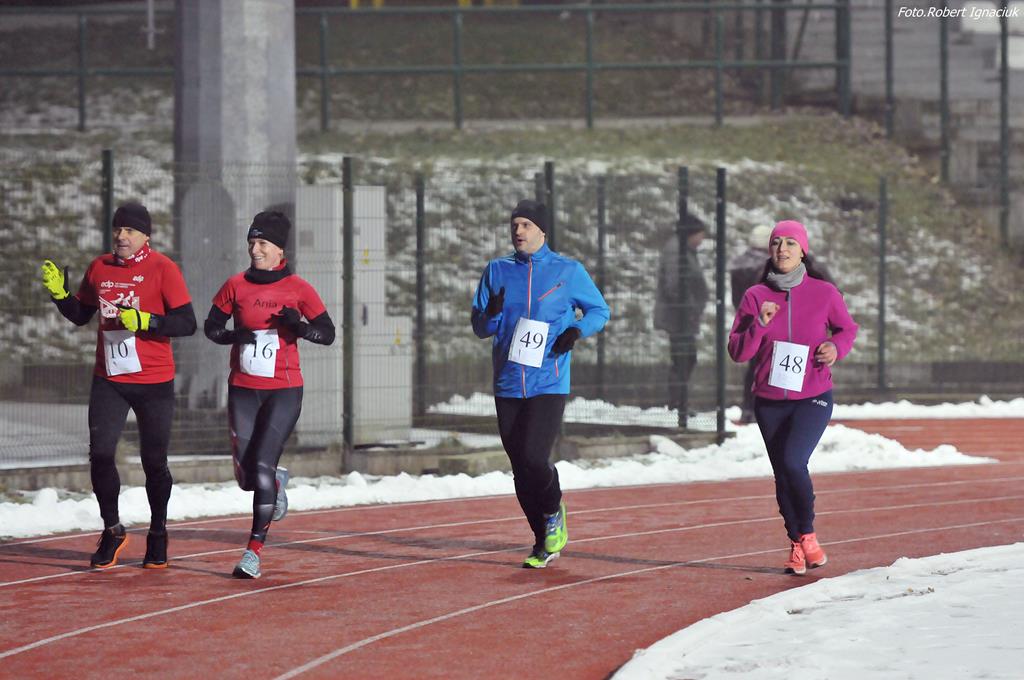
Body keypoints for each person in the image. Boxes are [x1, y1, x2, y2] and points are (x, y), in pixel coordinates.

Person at [39, 202, 197, 569]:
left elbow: (187, 323)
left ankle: (158, 533)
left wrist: (147, 321)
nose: (121, 236)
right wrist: (61, 296)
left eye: (129, 230)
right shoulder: (100, 267)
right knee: (101, 453)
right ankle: (112, 530)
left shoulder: (164, 269)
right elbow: (81, 314)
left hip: (154, 381)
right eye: (117, 229)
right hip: (109, 378)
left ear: (146, 236)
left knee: (153, 461)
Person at [471, 199, 610, 568]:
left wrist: (576, 331)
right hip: (508, 382)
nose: (518, 231)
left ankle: (553, 510)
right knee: (520, 466)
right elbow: (480, 327)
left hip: (549, 380)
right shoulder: (496, 270)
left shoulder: (568, 271)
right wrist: (491, 315)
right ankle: (542, 539)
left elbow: (599, 310)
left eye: (526, 225)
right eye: (514, 225)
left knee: (534, 457)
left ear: (542, 230)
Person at [204, 211, 335, 579]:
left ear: (280, 250)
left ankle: (253, 552)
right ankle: (276, 481)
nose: (255, 249)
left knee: (260, 466)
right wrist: (235, 336)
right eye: (251, 242)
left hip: (283, 392)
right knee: (247, 477)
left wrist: (299, 327)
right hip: (243, 390)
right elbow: (211, 327)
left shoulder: (299, 288)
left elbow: (327, 333)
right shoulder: (235, 285)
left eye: (262, 243)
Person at [727, 220, 858, 576]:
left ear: (803, 251)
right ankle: (797, 543)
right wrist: (759, 324)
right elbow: (738, 352)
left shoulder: (824, 293)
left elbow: (847, 329)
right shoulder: (756, 296)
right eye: (776, 243)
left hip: (812, 394)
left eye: (790, 243)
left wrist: (836, 347)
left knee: (793, 461)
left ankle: (809, 534)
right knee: (782, 473)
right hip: (769, 399)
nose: (782, 249)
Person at [653, 214, 709, 428]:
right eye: (700, 234)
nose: (702, 238)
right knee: (684, 358)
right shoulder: (676, 251)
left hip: (685, 315)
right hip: (679, 317)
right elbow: (674, 285)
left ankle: (679, 401)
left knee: (685, 358)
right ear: (691, 233)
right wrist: (689, 309)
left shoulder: (684, 250)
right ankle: (678, 403)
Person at [729, 224, 773, 424]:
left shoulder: (739, 265)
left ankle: (748, 407)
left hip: (746, 319)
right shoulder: (767, 265)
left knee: (753, 365)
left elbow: (736, 298)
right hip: (765, 319)